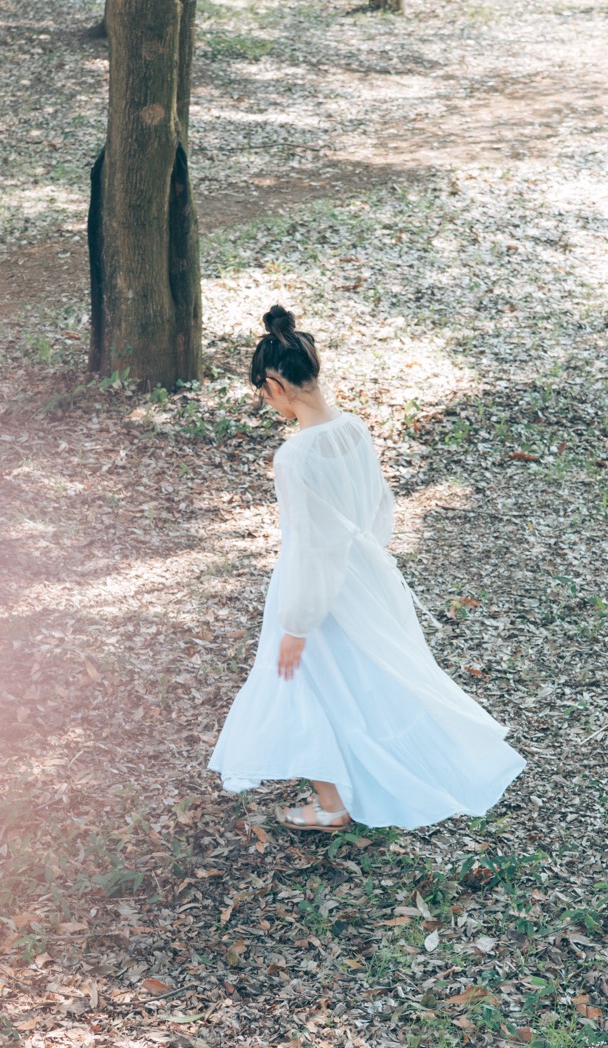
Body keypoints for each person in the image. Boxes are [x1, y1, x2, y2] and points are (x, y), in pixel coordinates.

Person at [209, 306, 525, 831]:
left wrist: (296, 624)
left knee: (302, 682)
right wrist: (369, 560)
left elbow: (310, 547)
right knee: (364, 678)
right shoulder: (354, 429)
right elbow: (380, 504)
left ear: (275, 384)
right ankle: (349, 789)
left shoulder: (293, 457)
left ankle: (332, 804)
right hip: (365, 573)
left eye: (263, 394)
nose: (267, 405)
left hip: (317, 590)